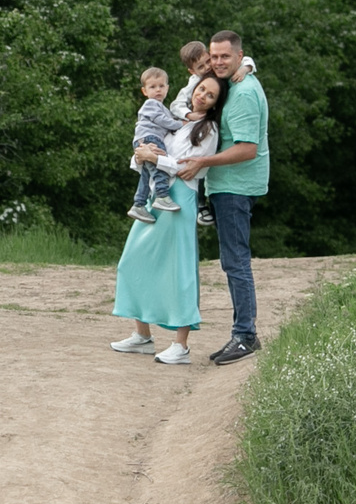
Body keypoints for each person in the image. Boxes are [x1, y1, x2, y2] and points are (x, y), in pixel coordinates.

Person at [165, 32, 270, 366]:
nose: (219, 62)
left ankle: (245, 336)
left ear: (240, 56)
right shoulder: (229, 85)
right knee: (231, 259)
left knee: (235, 260)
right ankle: (242, 333)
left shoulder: (244, 93)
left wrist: (202, 162)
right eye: (215, 56)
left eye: (226, 56)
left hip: (237, 187)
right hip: (225, 186)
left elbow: (247, 149)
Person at [109, 74, 218, 364]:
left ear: (216, 104)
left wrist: (154, 159)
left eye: (210, 95)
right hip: (156, 198)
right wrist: (142, 155)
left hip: (180, 201)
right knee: (132, 261)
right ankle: (142, 336)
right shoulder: (174, 120)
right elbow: (146, 155)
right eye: (201, 89)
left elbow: (187, 168)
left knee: (178, 271)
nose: (202, 96)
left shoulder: (209, 131)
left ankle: (180, 346)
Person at [126, 67, 182, 222]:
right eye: (153, 87)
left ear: (167, 88)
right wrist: (180, 124)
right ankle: (162, 196)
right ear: (144, 91)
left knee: (146, 174)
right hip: (150, 139)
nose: (158, 90)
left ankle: (139, 205)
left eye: (161, 86)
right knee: (158, 167)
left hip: (145, 139)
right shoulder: (151, 104)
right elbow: (161, 121)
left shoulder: (162, 106)